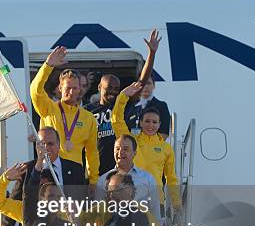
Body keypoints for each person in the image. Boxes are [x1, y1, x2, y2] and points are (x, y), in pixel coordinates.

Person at [31, 48, 100, 194]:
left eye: (75, 88)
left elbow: (92, 152)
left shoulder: (88, 118)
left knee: (74, 215)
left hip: (75, 175)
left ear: (80, 89)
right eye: (68, 88)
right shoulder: (48, 108)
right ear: (60, 88)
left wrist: (93, 180)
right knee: (50, 215)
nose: (71, 92)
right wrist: (48, 65)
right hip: (50, 171)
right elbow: (35, 90)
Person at [112, 83, 182, 213]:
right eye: (147, 121)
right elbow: (117, 121)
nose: (151, 125)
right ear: (141, 122)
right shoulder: (132, 141)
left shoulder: (166, 148)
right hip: (132, 200)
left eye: (155, 122)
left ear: (160, 124)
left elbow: (171, 178)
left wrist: (176, 202)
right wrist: (123, 96)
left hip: (156, 202)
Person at [85, 74, 121, 175]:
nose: (113, 91)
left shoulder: (121, 108)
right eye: (109, 87)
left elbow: (141, 84)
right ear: (99, 87)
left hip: (117, 170)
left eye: (116, 89)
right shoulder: (87, 110)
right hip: (94, 170)